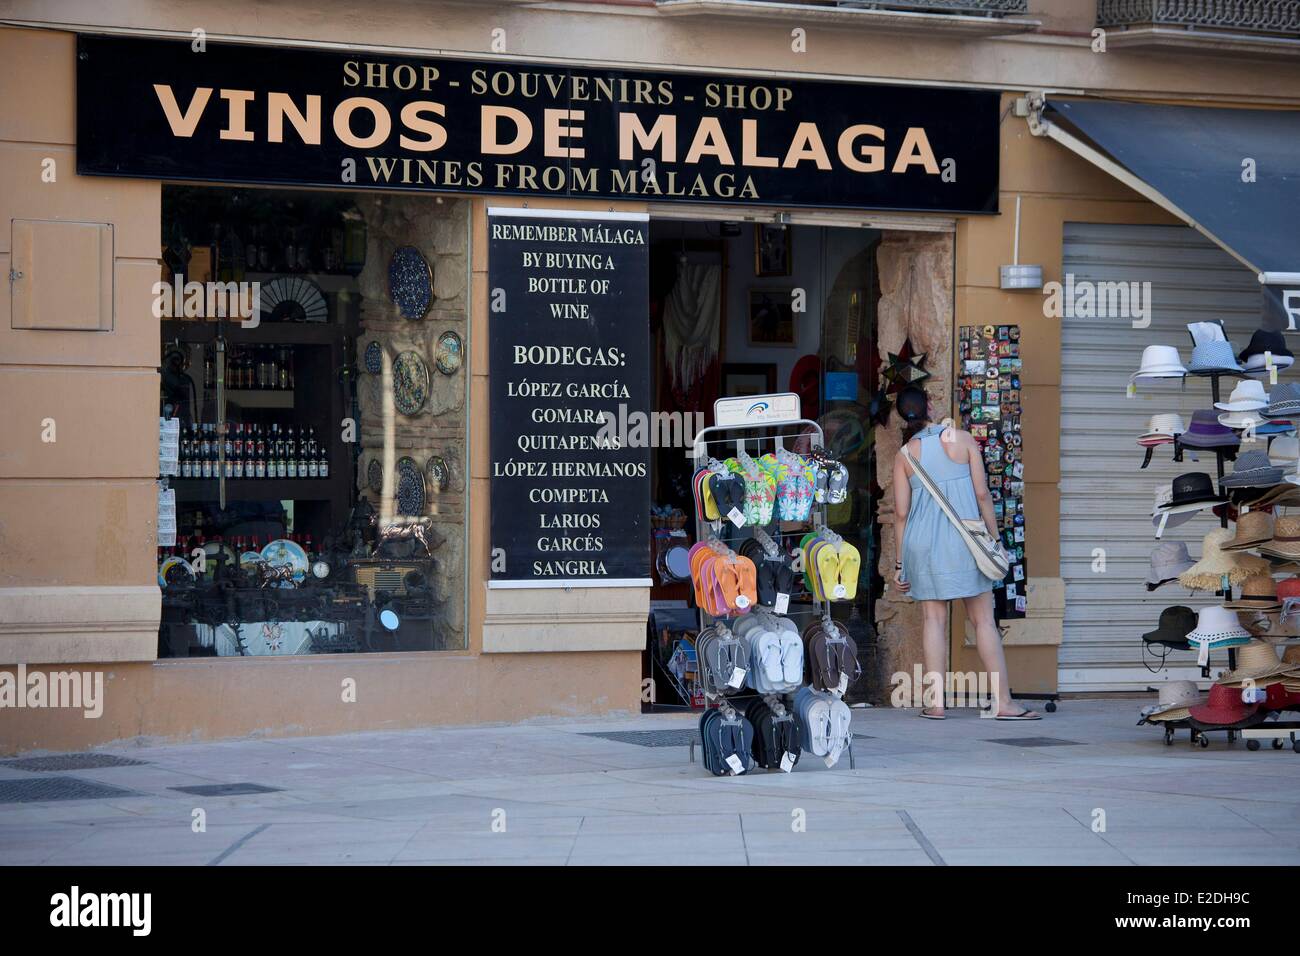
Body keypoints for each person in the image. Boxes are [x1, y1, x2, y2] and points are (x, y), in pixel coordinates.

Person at [891, 384, 1039, 720]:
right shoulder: (963, 440)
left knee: (933, 620)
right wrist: (995, 539)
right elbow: (983, 494)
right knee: (984, 621)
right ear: (931, 406)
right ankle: (1002, 702)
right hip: (966, 542)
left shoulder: (904, 455)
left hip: (923, 544)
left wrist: (901, 564)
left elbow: (900, 514)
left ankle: (936, 703)